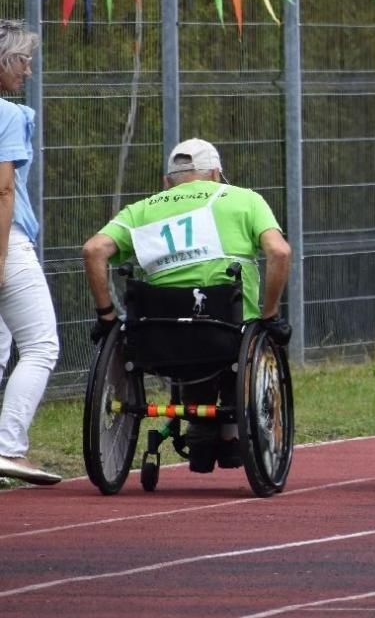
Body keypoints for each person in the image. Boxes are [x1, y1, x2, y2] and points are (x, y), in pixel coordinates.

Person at [83, 138, 290, 473]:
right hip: (229, 328)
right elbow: (280, 253)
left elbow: (93, 251)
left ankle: (200, 429)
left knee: (186, 348)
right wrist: (270, 314)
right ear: (216, 174)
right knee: (235, 338)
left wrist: (107, 316)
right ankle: (227, 431)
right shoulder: (243, 199)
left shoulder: (143, 210)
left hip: (159, 335)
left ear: (168, 181)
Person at [0, 21, 60, 486]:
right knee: (41, 345)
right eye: (22, 59)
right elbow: (3, 191)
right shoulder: (7, 114)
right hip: (8, 241)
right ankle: (9, 447)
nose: (28, 68)